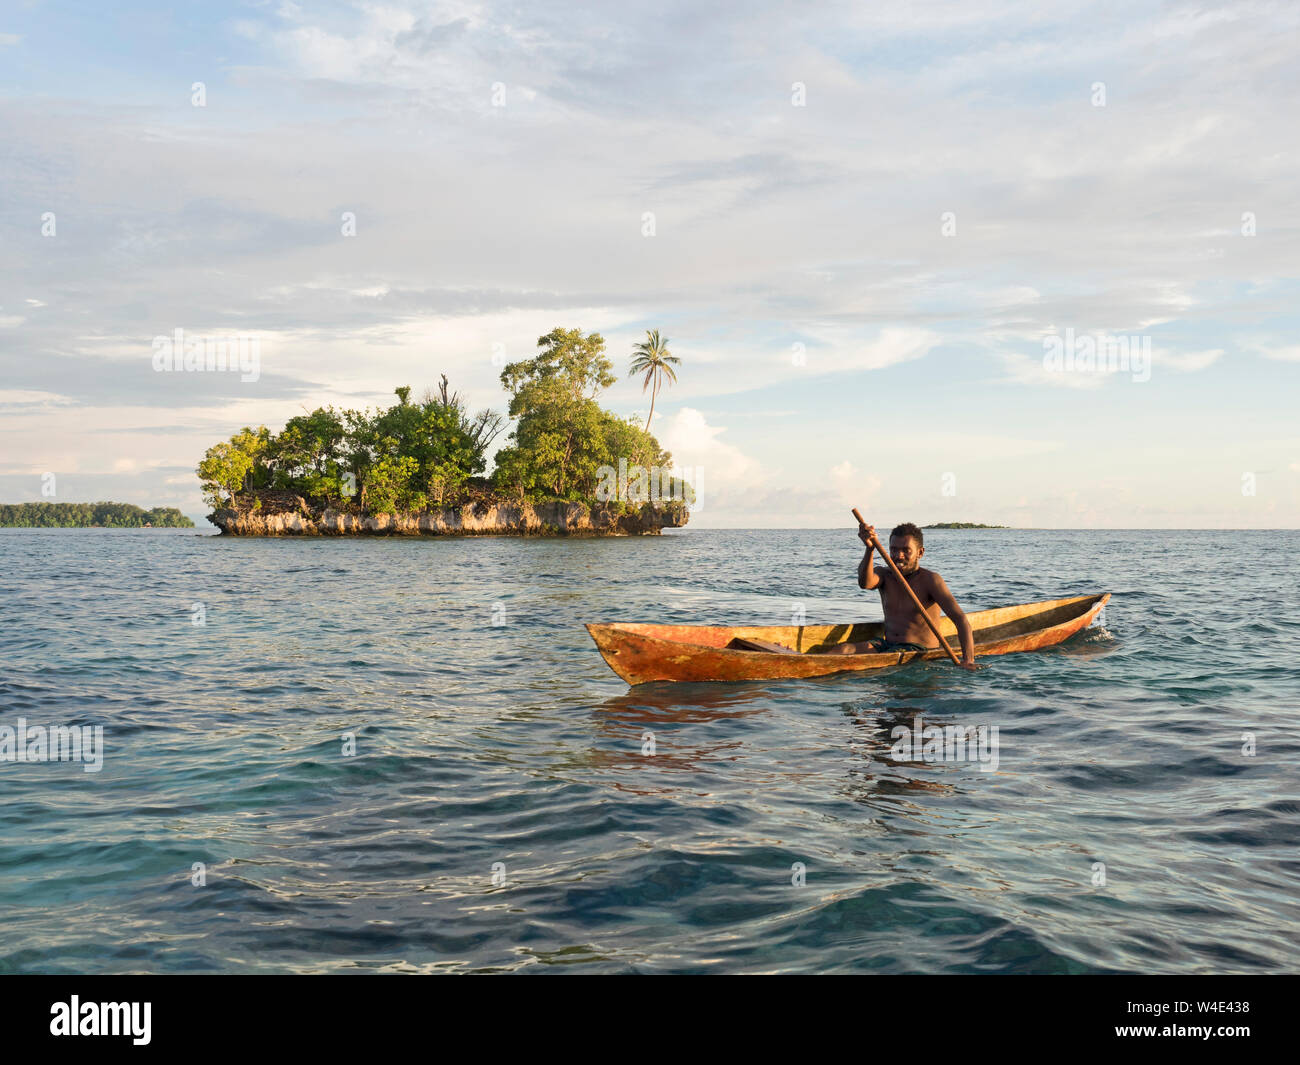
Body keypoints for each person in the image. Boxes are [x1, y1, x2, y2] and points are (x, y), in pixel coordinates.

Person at [825, 521, 978, 669]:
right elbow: (865, 583)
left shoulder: (931, 580)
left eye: (906, 550)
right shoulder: (884, 574)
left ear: (920, 553)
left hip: (917, 650)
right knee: (844, 650)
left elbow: (960, 619)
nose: (899, 555)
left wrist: (968, 660)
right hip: (887, 645)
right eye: (894, 549)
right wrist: (869, 549)